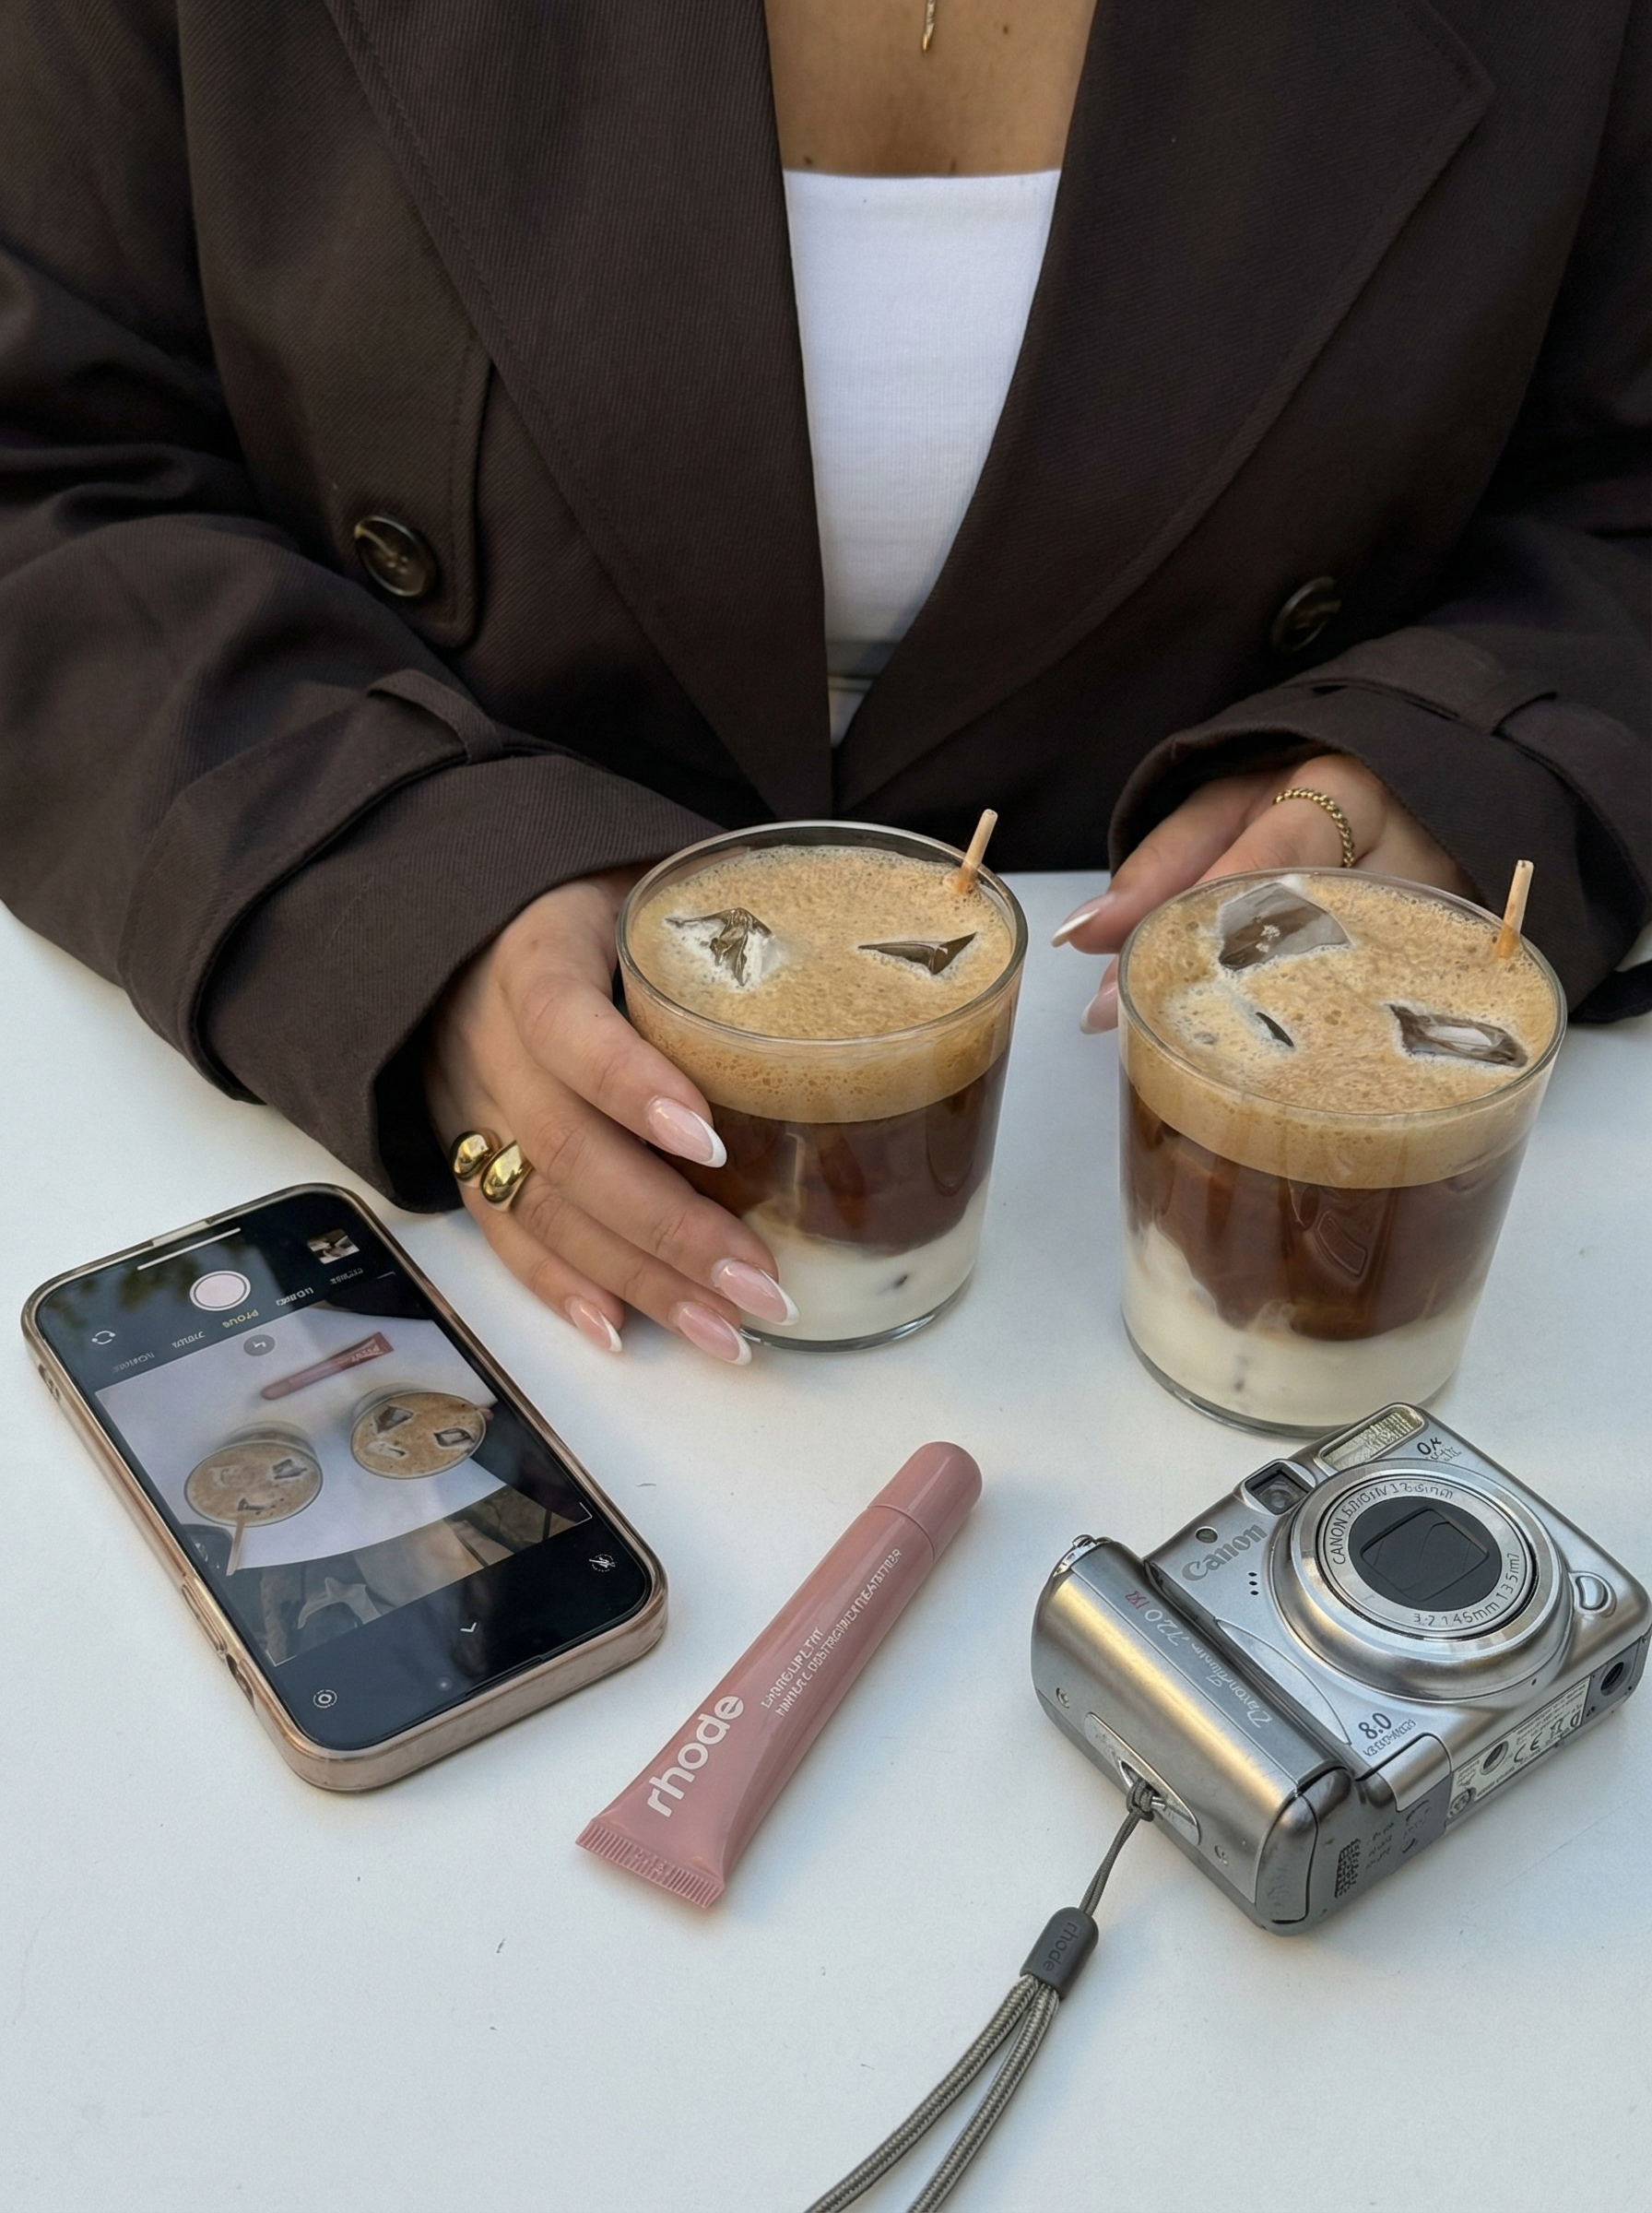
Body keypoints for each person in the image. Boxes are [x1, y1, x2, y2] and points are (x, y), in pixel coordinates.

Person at [1, 0, 1646, 1364]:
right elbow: (47, 466)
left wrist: (1452, 763)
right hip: (419, 1261)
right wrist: (396, 900)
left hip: (1289, 1220)